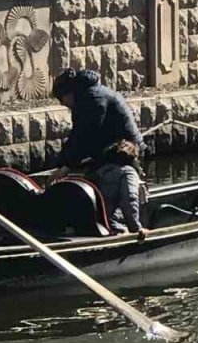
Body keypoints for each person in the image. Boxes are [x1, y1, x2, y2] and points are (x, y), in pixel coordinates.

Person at [50, 68, 147, 236]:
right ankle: (104, 223)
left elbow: (86, 135)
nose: (61, 103)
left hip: (123, 154)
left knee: (115, 189)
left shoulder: (94, 99)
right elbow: (76, 135)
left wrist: (67, 167)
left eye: (61, 98)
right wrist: (61, 164)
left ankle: (114, 227)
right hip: (107, 155)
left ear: (70, 93)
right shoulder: (85, 97)